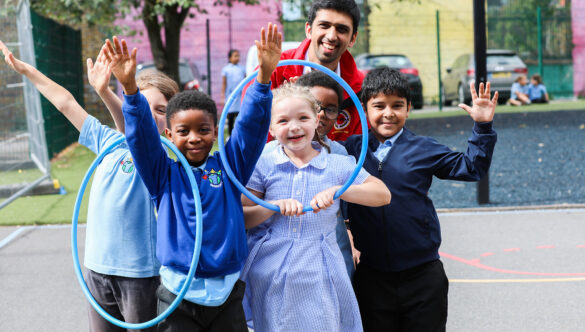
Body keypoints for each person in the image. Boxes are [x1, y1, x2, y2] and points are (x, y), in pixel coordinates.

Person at [103, 22, 279, 331]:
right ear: (169, 134)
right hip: (177, 296)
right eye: (184, 131)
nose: (195, 137)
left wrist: (263, 79)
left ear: (215, 132)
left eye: (203, 130)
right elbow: (141, 137)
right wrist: (130, 89)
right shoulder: (162, 174)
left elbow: (250, 130)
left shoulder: (228, 168)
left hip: (226, 295)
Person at [0, 41, 179, 331]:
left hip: (139, 273)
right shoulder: (107, 142)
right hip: (96, 269)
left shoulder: (163, 156)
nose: (150, 114)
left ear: (171, 124)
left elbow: (139, 131)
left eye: (161, 110)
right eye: (146, 107)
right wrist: (27, 70)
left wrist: (107, 92)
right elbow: (65, 103)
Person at [343, 67, 498, 332]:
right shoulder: (350, 149)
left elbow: (472, 167)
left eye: (397, 105)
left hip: (422, 276)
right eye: (378, 105)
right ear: (364, 109)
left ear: (409, 108)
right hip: (372, 275)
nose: (388, 113)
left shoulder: (423, 148)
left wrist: (482, 126)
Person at [239, 82, 391, 331]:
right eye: (283, 121)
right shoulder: (264, 163)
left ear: (316, 119)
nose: (294, 127)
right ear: (270, 126)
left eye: (302, 118)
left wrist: (339, 191)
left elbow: (382, 195)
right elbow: (241, 215)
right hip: (269, 269)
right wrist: (272, 206)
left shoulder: (337, 164)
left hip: (319, 270)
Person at [261, 70, 356, 278]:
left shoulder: (338, 155)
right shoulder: (267, 156)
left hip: (328, 254)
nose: (321, 114)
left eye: (329, 110)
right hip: (278, 259)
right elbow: (245, 209)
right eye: (314, 106)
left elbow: (372, 195)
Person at [245, 0, 364, 141]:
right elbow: (248, 126)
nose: (331, 36)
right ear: (309, 30)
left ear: (353, 38)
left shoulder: (359, 86)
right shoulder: (273, 70)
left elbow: (362, 147)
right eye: (324, 26)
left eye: (342, 29)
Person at [221, 49, 246, 136]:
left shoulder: (242, 68)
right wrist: (222, 97)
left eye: (238, 56)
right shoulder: (226, 69)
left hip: (240, 96)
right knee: (231, 116)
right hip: (230, 95)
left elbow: (246, 81)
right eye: (235, 56)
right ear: (230, 58)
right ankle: (230, 135)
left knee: (240, 116)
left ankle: (239, 135)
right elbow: (224, 84)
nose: (237, 58)